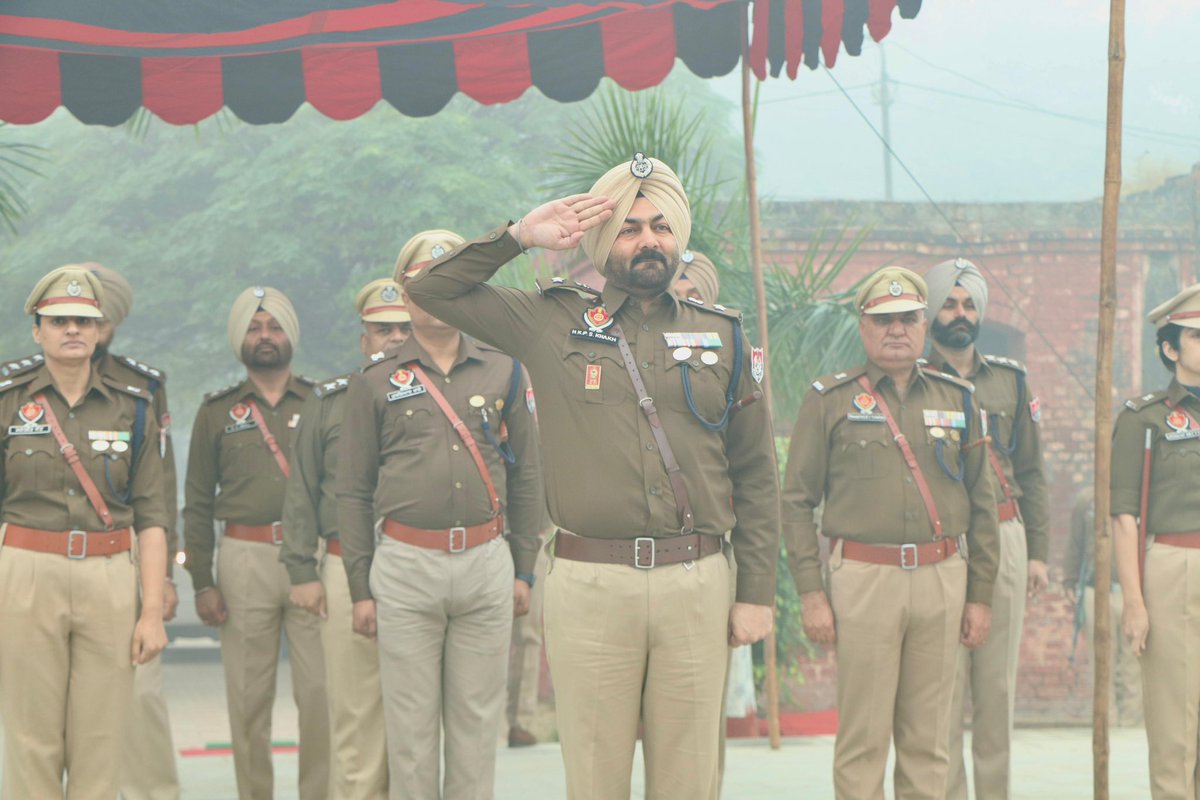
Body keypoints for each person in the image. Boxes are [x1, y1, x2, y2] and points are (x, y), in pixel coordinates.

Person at [403, 155, 781, 800]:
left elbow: (755, 472)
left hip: (696, 580)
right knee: (595, 777)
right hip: (591, 581)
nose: (648, 241)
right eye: (630, 228)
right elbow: (429, 288)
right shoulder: (549, 320)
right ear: (606, 242)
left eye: (661, 226)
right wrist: (519, 235)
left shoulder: (722, 334)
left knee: (691, 780)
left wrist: (756, 592)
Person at [336, 229, 544, 800]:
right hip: (405, 566)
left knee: (478, 731)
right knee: (410, 733)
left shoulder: (506, 371)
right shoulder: (373, 382)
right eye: (423, 283)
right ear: (404, 294)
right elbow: (352, 491)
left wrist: (524, 567)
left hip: (486, 562)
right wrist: (360, 585)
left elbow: (528, 476)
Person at [783, 266, 999, 800]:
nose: (896, 330)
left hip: (942, 577)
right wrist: (812, 593)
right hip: (864, 579)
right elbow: (795, 502)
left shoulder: (959, 399)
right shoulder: (829, 401)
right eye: (883, 320)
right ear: (863, 327)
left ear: (924, 326)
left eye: (907, 319)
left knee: (930, 742)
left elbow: (983, 504)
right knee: (863, 738)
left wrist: (980, 596)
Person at [0, 265, 169, 798]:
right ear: (38, 330)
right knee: (31, 740)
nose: (71, 329)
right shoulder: (7, 400)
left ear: (100, 331)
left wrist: (149, 611)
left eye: (83, 320)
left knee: (103, 741)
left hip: (109, 577)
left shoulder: (134, 406)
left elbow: (153, 516)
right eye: (59, 320)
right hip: (26, 573)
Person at [183, 286, 329, 800]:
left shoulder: (321, 403)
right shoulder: (216, 413)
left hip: (310, 560)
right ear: (239, 339)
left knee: (320, 696)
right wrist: (202, 580)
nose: (264, 337)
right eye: (253, 327)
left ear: (290, 334)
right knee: (247, 700)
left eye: (273, 327)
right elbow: (197, 502)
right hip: (243, 561)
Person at [921, 257, 1051, 799]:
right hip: (942, 545)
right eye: (949, 303)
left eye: (969, 304)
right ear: (931, 311)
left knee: (995, 690)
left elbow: (1032, 472)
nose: (959, 313)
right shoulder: (915, 381)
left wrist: (1040, 552)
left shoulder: (1011, 382)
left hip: (1005, 535)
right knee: (943, 693)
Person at [280, 277, 411, 799]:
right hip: (341, 564)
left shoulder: (442, 394)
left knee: (415, 717)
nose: (395, 339)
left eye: (404, 328)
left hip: (418, 564)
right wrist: (301, 571)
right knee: (355, 713)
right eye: (383, 330)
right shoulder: (329, 401)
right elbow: (301, 489)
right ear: (364, 339)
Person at [1112, 283, 1200, 799]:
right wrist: (1135, 602)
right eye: (1196, 336)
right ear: (1170, 349)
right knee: (1175, 728)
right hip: (1175, 566)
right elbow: (1124, 517)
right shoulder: (1143, 418)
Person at [1062, 485, 1141, 726]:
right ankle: (1106, 722)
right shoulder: (1087, 500)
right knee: (1102, 661)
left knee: (1133, 663)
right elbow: (1075, 542)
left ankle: (1132, 723)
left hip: (1131, 591)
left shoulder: (1136, 497)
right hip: (1096, 590)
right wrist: (1070, 578)